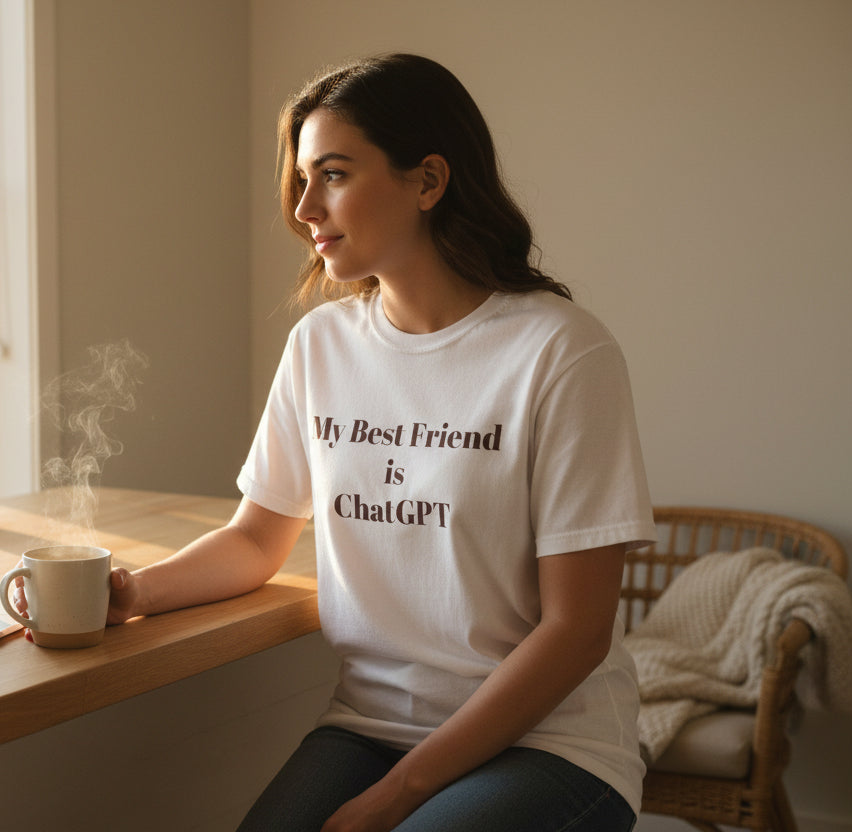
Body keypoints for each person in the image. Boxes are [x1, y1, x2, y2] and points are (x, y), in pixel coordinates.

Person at [108, 53, 653, 831]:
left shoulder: (561, 353)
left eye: (331, 174)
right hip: (371, 727)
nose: (302, 208)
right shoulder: (319, 346)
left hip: (551, 741)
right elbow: (256, 538)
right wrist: (132, 593)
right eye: (300, 179)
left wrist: (396, 798)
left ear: (428, 181)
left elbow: (577, 632)